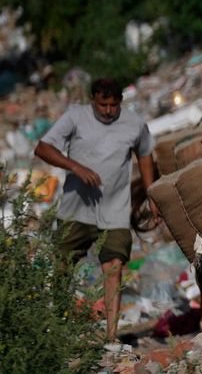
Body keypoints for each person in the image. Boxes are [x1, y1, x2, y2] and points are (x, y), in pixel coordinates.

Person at [35, 78, 158, 341]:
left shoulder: (134, 124)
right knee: (63, 266)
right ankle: (58, 327)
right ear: (93, 100)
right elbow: (42, 148)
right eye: (103, 105)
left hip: (114, 209)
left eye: (114, 105)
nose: (108, 111)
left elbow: (145, 154)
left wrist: (152, 194)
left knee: (114, 266)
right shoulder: (75, 118)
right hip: (75, 209)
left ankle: (111, 336)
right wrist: (75, 167)